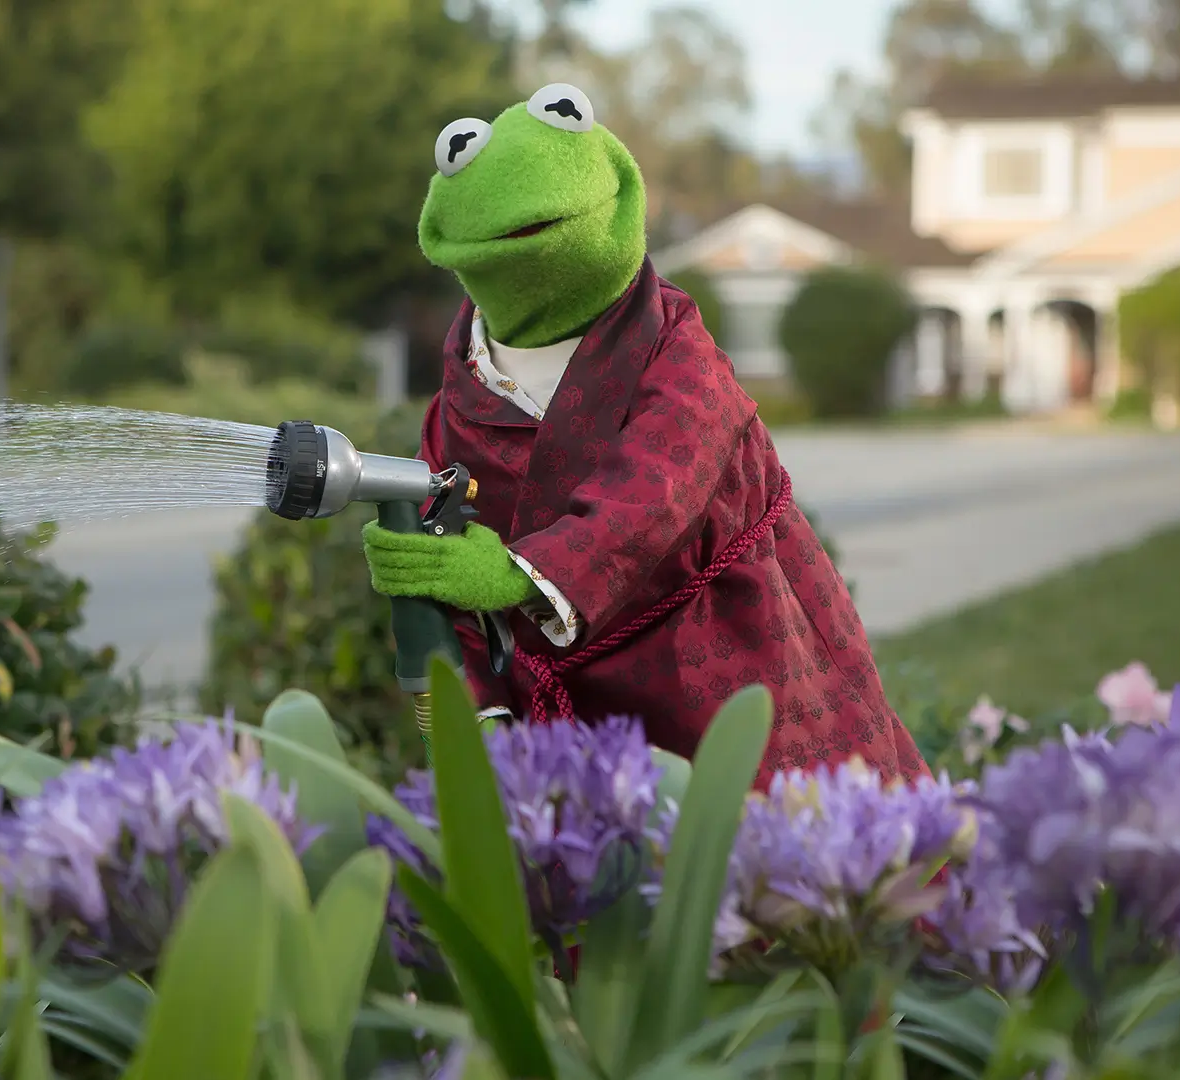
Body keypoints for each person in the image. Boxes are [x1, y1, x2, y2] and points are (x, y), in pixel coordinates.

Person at [360, 83, 927, 789]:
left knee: (790, 852)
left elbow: (660, 481)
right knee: (601, 872)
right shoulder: (456, 409)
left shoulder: (680, 355)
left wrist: (515, 574)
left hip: (738, 653)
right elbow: (455, 556)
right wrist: (440, 607)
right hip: (570, 709)